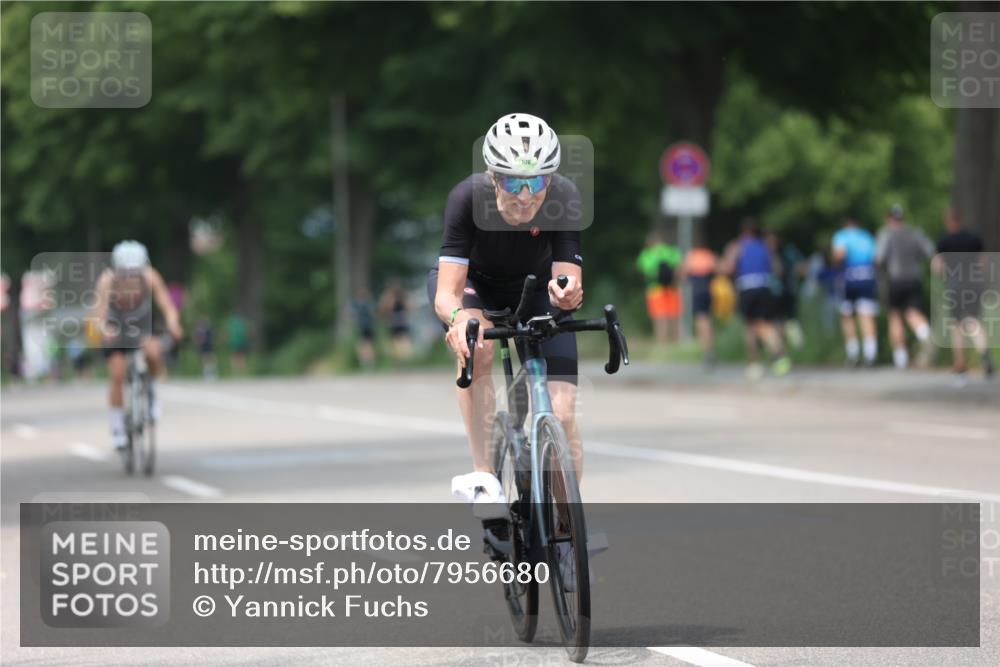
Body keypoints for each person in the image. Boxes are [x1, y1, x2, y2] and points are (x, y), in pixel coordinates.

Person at [428, 112, 583, 517]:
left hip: (534, 288)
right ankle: (484, 475)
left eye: (538, 182)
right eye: (515, 182)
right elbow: (447, 293)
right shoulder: (467, 198)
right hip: (474, 285)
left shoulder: (565, 196)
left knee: (563, 412)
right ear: (494, 177)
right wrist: (459, 319)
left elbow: (568, 278)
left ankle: (567, 528)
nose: (527, 196)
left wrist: (566, 294)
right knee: (478, 346)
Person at [94, 241, 183, 451]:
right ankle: (118, 426)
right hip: (116, 327)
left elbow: (167, 306)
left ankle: (150, 390)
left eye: (134, 273)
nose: (130, 278)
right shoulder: (107, 280)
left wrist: (173, 323)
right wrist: (105, 329)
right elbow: (98, 315)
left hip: (142, 325)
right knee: (117, 374)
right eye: (125, 273)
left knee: (153, 352)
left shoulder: (150, 277)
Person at [720, 218, 790, 379]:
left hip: (747, 288)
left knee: (750, 326)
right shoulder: (765, 246)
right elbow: (778, 269)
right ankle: (778, 353)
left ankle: (755, 363)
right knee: (766, 323)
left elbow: (729, 267)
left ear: (743, 232)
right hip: (765, 287)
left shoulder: (737, 246)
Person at [933, 207, 995, 383]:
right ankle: (984, 353)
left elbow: (937, 266)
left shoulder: (944, 241)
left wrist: (943, 275)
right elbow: (983, 263)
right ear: (961, 220)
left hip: (955, 286)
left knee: (957, 326)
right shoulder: (974, 239)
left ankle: (960, 366)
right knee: (974, 321)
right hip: (974, 285)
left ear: (948, 221)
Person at [876, 204, 936, 369]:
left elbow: (879, 258)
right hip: (915, 278)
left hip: (895, 279)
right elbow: (931, 252)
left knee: (895, 316)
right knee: (912, 312)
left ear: (889, 218)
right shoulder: (915, 233)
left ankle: (900, 358)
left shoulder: (885, 234)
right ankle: (926, 336)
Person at [832, 215, 879, 367]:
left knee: (847, 316)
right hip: (868, 277)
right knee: (867, 315)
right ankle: (870, 353)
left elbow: (840, 255)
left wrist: (835, 263)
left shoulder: (841, 236)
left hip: (850, 279)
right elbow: (876, 258)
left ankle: (853, 353)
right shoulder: (867, 236)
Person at [636, 231, 683, 345]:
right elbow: (679, 265)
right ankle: (677, 341)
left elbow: (644, 270)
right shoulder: (670, 251)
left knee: (660, 316)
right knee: (674, 316)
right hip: (672, 288)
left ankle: (662, 342)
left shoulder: (646, 254)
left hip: (655, 289)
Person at [766, 230, 806, 349]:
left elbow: (802, 267)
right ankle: (782, 347)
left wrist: (797, 272)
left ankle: (794, 346)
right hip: (774, 292)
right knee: (778, 321)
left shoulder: (788, 251)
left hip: (787, 290)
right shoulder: (766, 253)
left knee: (789, 320)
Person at [680, 244, 717, 366]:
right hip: (709, 289)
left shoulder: (691, 256)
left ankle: (707, 350)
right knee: (708, 319)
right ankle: (710, 347)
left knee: (701, 320)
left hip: (697, 290)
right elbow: (718, 270)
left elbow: (683, 275)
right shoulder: (709, 255)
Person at [378, 279, 413, 362]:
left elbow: (409, 307)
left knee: (402, 340)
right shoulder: (389, 297)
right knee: (396, 340)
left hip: (400, 321)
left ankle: (403, 357)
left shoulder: (402, 296)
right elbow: (383, 309)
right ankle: (400, 358)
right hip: (394, 321)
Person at [352, 287, 377, 370]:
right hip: (362, 328)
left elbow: (373, 315)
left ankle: (369, 362)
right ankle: (366, 362)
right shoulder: (358, 304)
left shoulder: (368, 304)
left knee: (368, 345)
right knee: (363, 346)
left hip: (368, 327)